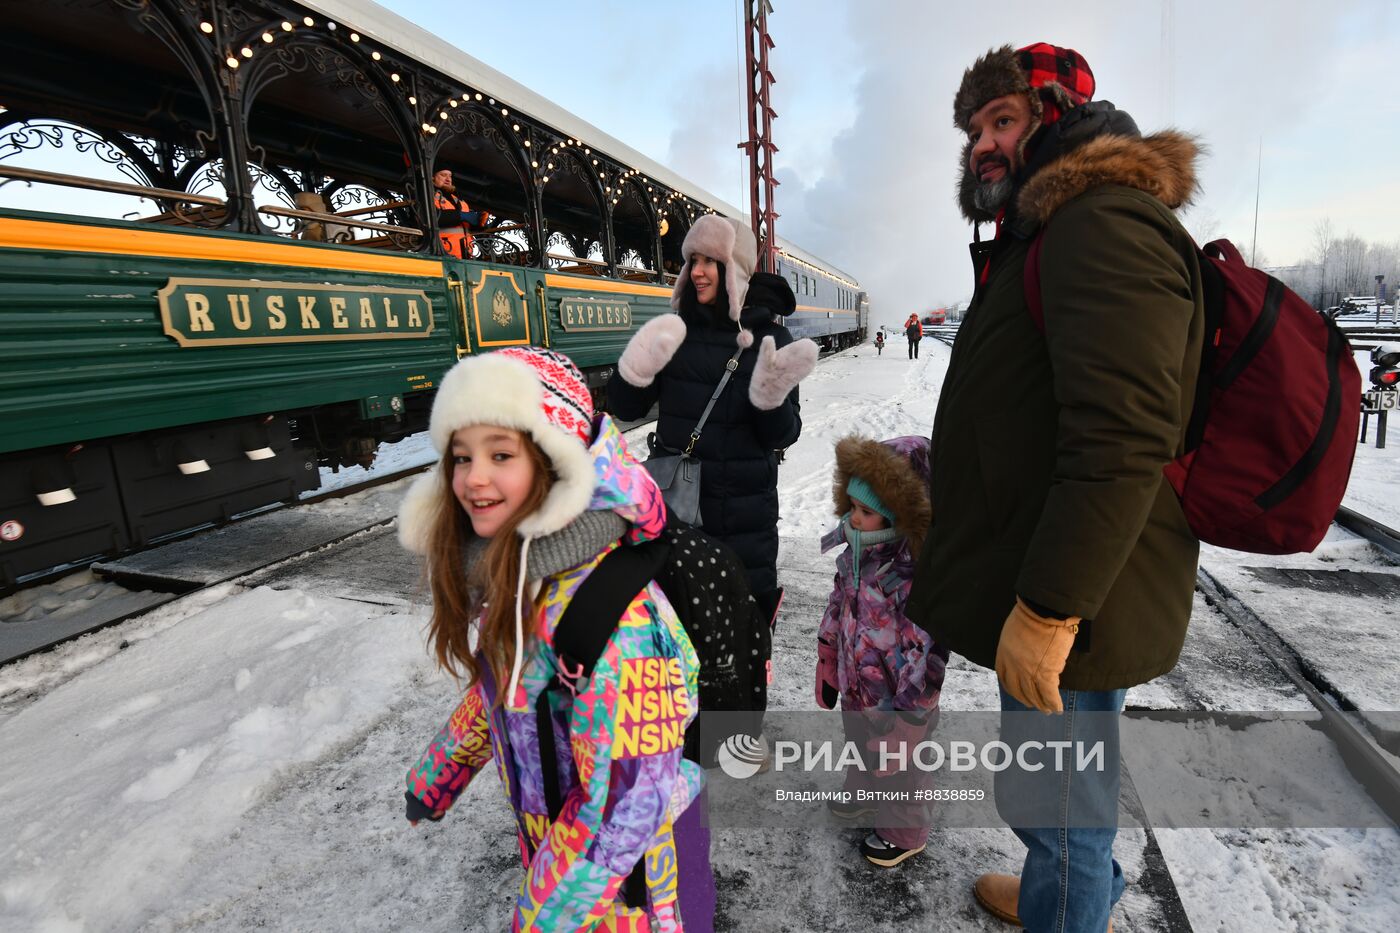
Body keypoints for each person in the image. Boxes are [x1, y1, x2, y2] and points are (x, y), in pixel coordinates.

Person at [906, 43, 1205, 932]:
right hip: (1054, 567)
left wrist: (1048, 610)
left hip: (1071, 590)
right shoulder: (1053, 227)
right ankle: (1069, 887)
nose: (981, 145)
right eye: (972, 131)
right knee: (1052, 786)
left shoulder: (1099, 221)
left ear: (1055, 113)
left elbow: (1122, 434)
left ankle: (1067, 894)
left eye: (1001, 121)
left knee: (1060, 800)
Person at [397, 346, 713, 931]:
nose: (475, 478)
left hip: (621, 899)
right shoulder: (523, 577)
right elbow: (508, 684)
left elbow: (621, 807)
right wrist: (438, 777)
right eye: (461, 457)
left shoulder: (622, 624)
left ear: (555, 463)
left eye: (500, 454)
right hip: (557, 862)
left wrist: (539, 921)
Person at [607, 215, 818, 623]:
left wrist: (769, 401)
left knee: (741, 643)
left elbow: (784, 435)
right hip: (677, 515)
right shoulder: (675, 331)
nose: (696, 271)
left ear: (734, 270)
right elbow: (627, 409)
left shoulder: (771, 341)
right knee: (675, 638)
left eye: (709, 261)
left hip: (744, 521)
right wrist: (634, 368)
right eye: (692, 260)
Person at [815, 435, 949, 867]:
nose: (854, 519)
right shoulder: (858, 553)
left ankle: (905, 827)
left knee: (904, 763)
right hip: (860, 683)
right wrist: (828, 658)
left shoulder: (912, 575)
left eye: (866, 512)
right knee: (858, 739)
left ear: (898, 514)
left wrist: (913, 715)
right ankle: (866, 792)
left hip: (901, 697)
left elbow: (926, 650)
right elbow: (840, 604)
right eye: (851, 506)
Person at [433, 168, 489, 259]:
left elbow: (465, 226)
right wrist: (461, 216)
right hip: (442, 253)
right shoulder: (429, 196)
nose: (448, 179)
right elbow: (432, 218)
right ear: (432, 178)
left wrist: (479, 222)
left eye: (450, 176)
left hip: (466, 253)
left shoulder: (459, 199)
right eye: (443, 175)